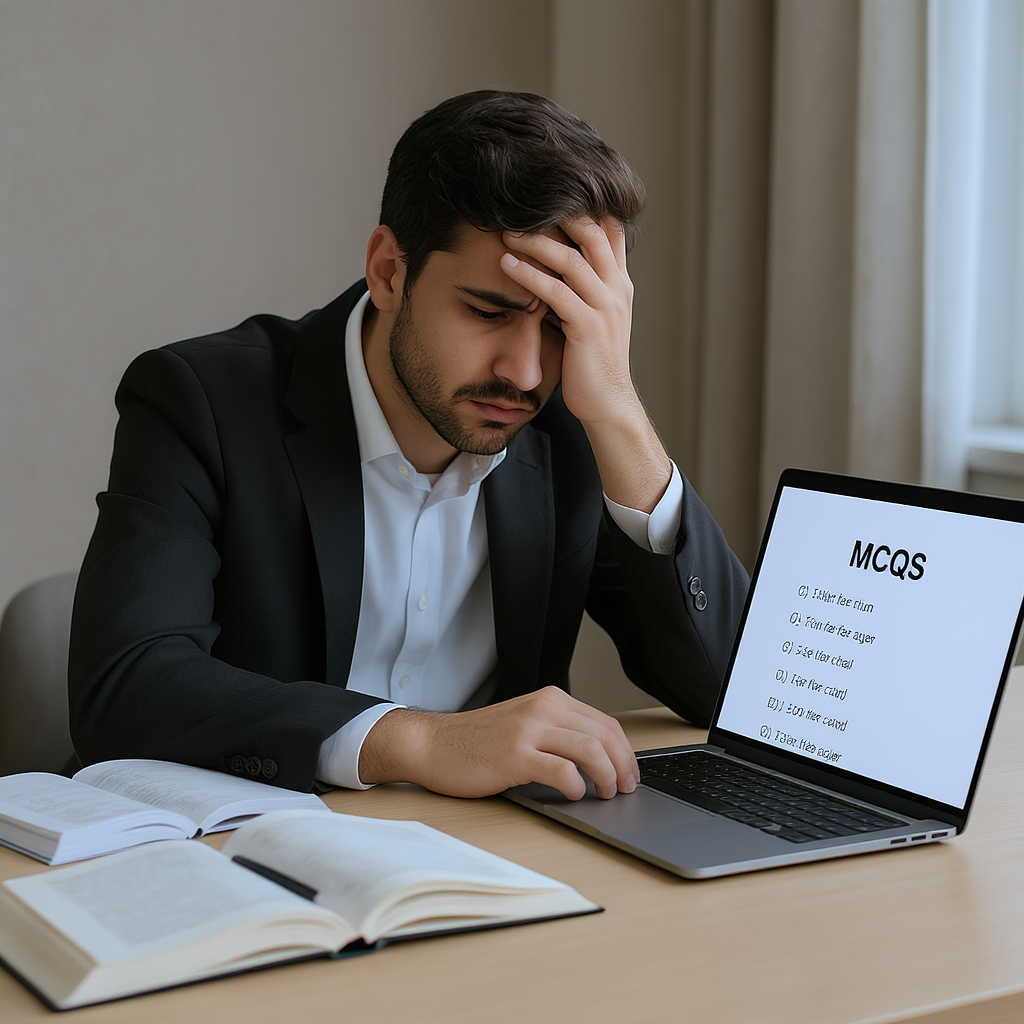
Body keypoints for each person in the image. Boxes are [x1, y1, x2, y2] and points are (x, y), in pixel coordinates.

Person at [68, 90, 748, 800]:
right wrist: (418, 739)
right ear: (390, 270)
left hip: (493, 860)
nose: (525, 372)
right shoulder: (199, 401)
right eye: (490, 311)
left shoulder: (572, 418)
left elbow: (733, 695)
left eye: (561, 326)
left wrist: (623, 420)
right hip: (239, 856)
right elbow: (124, 690)